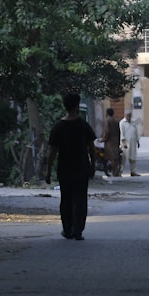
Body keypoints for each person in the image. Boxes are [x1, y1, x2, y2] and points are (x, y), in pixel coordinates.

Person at [46, 92, 97, 240]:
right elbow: (92, 148)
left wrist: (48, 171)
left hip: (64, 168)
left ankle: (67, 229)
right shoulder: (83, 125)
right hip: (81, 167)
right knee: (80, 199)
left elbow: (52, 151)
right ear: (77, 106)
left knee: (66, 199)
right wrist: (93, 164)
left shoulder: (58, 127)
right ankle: (78, 230)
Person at [101, 107, 122, 176]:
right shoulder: (115, 121)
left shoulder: (107, 120)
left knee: (111, 157)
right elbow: (119, 132)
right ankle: (115, 171)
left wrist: (103, 139)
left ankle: (113, 172)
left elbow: (107, 131)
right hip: (115, 141)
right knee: (115, 157)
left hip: (109, 141)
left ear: (107, 113)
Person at [119, 111, 141, 176]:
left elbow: (136, 132)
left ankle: (133, 171)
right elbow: (122, 133)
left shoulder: (133, 122)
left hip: (133, 142)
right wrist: (123, 142)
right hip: (125, 143)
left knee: (133, 157)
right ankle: (120, 172)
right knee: (123, 158)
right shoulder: (122, 122)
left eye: (130, 116)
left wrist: (138, 141)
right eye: (128, 116)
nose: (129, 117)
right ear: (125, 115)